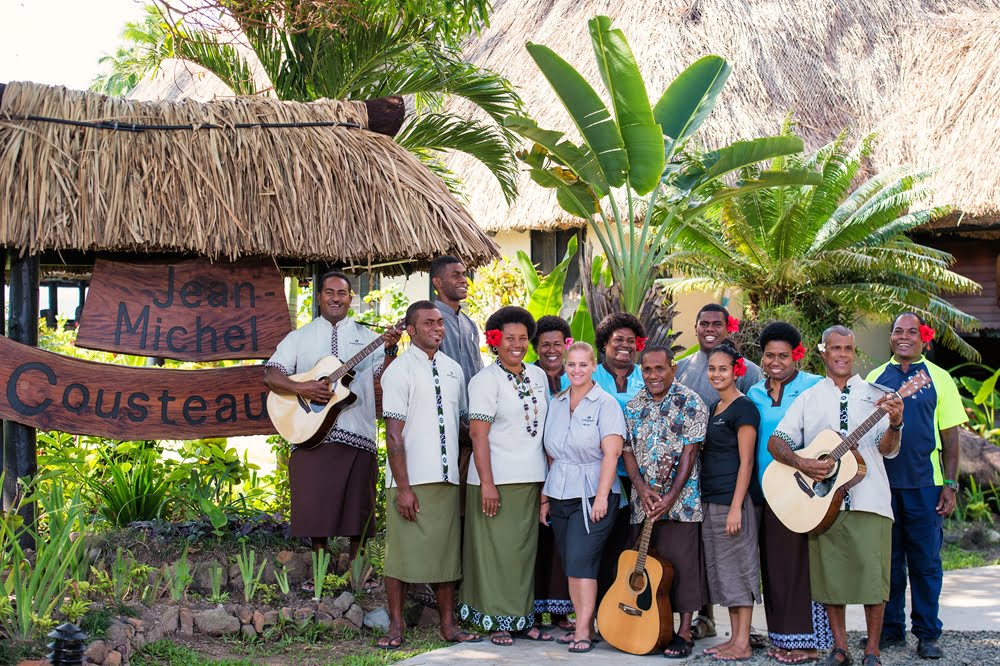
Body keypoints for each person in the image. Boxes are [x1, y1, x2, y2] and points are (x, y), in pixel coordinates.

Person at [769, 325, 904, 666]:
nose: (842, 354)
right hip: (822, 503)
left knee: (874, 579)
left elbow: (887, 450)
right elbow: (776, 441)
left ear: (854, 353)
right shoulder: (809, 397)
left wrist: (895, 424)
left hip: (870, 499)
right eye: (835, 348)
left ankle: (872, 650)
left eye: (848, 348)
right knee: (831, 580)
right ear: (823, 352)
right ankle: (840, 649)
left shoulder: (878, 395)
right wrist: (803, 462)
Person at [264, 270, 401, 564]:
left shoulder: (368, 337)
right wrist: (302, 388)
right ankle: (320, 573)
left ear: (350, 298)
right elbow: (272, 375)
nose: (336, 298)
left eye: (342, 293)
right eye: (330, 292)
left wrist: (390, 349)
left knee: (358, 509)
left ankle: (357, 572)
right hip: (309, 432)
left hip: (357, 432)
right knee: (315, 509)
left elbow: (386, 377)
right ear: (319, 297)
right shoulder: (299, 337)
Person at [377, 301, 481, 649]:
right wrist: (403, 488)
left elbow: (463, 425)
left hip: (447, 479)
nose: (437, 328)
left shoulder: (454, 370)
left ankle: (448, 627)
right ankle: (395, 628)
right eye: (428, 323)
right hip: (410, 481)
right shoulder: (399, 371)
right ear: (410, 329)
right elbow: (393, 435)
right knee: (401, 556)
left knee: (446, 556)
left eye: (440, 322)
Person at [864, 313, 966, 660]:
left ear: (924, 338)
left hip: (926, 486)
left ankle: (927, 633)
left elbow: (951, 439)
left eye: (911, 331)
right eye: (897, 331)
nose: (903, 337)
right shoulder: (875, 379)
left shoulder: (940, 379)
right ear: (890, 337)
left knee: (925, 564)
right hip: (883, 487)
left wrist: (950, 485)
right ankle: (891, 630)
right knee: (888, 563)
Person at [458, 307, 552, 645]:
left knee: (523, 553)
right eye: (509, 338)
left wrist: (545, 488)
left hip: (530, 479)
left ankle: (521, 618)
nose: (517, 345)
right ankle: (496, 619)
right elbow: (479, 436)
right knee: (495, 552)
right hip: (494, 481)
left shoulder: (538, 376)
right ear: (495, 341)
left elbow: (543, 432)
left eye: (523, 338)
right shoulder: (485, 381)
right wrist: (487, 483)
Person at [674, 303, 762, 640]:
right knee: (709, 557)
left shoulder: (750, 373)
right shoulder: (682, 369)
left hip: (733, 487)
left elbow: (747, 453)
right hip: (698, 482)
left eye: (717, 324)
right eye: (703, 323)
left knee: (737, 559)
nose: (710, 329)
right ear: (695, 328)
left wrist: (738, 503)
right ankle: (706, 618)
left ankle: (742, 633)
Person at [747, 322, 832, 664]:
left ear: (797, 355)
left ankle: (810, 641)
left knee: (802, 567)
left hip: (804, 491)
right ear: (762, 357)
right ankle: (784, 637)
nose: (776, 362)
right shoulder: (754, 392)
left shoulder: (814, 387)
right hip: (766, 492)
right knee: (775, 569)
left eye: (784, 355)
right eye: (770, 356)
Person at [622, 345, 709, 659]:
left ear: (673, 368)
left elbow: (690, 452)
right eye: (647, 369)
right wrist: (642, 488)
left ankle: (684, 632)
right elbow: (627, 452)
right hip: (642, 504)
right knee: (645, 570)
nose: (654, 375)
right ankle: (648, 627)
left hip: (681, 505)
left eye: (660, 369)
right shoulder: (632, 406)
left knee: (682, 568)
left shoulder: (691, 402)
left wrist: (670, 496)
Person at [541, 341, 625, 654]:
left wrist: (601, 498)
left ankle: (582, 630)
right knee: (571, 563)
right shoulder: (557, 402)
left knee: (582, 562)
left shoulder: (606, 403)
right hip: (560, 490)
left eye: (583, 365)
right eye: (572, 365)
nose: (577, 371)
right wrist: (545, 499)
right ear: (565, 367)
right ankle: (584, 624)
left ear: (593, 367)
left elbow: (611, 454)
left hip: (592, 491)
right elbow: (550, 454)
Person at [699, 341, 762, 662]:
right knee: (724, 573)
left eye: (723, 368)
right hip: (712, 501)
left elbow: (747, 462)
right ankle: (735, 638)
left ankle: (743, 643)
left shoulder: (744, 408)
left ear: (736, 371)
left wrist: (737, 506)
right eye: (712, 368)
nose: (716, 374)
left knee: (739, 570)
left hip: (732, 503)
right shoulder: (715, 407)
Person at [586, 313, 647, 601]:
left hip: (640, 475)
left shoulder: (645, 374)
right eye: (617, 340)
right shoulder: (590, 374)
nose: (625, 345)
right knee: (601, 542)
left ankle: (626, 604)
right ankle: (598, 608)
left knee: (632, 542)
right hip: (600, 474)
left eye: (630, 340)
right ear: (604, 343)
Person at [530, 315, 575, 632]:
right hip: (532, 471)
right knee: (534, 542)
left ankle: (560, 611)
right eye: (544, 344)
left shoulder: (578, 375)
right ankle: (531, 611)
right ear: (536, 347)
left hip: (567, 474)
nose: (551, 350)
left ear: (566, 346)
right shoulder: (528, 377)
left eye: (557, 344)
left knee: (562, 542)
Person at [431, 255, 483, 386]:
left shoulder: (469, 324)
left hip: (473, 403)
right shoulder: (428, 322)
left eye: (464, 275)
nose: (464, 280)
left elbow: (478, 366)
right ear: (438, 282)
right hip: (442, 403)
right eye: (456, 275)